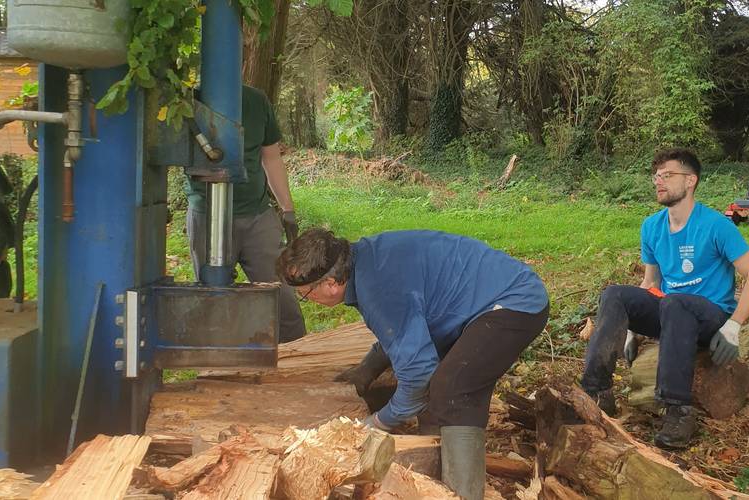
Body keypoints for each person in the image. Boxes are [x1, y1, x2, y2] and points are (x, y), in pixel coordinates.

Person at [277, 229, 549, 500]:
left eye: (305, 293)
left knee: (453, 388)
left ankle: (462, 494)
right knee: (434, 391)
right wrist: (368, 368)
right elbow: (401, 325)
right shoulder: (363, 262)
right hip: (474, 302)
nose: (307, 299)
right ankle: (431, 480)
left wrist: (379, 422)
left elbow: (419, 374)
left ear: (332, 283)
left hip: (514, 301)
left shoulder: (378, 286)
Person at [581, 148, 749, 450]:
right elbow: (650, 283)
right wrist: (630, 329)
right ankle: (596, 392)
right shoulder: (651, 226)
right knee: (615, 294)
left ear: (690, 180)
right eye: (656, 176)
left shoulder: (716, 225)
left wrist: (734, 326)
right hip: (671, 312)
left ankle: (678, 410)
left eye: (667, 175)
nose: (659, 181)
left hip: (710, 317)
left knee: (675, 301)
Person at [184, 84, 306, 341]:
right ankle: (220, 361)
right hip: (207, 217)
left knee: (283, 302)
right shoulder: (190, 101)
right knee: (214, 301)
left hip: (257, 217)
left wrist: (288, 209)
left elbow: (271, 158)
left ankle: (296, 354)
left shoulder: (256, 101)